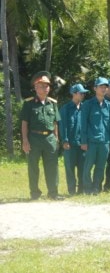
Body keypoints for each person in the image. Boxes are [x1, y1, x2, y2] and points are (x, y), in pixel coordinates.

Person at [20, 71, 62, 200]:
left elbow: (55, 122)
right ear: (35, 87)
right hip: (34, 138)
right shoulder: (29, 103)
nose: (45, 88)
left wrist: (56, 138)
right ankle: (34, 193)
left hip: (49, 139)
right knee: (33, 166)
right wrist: (25, 140)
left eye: (47, 86)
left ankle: (53, 193)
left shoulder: (53, 103)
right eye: (41, 85)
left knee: (52, 166)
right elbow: (24, 123)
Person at [79, 78, 110, 194]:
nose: (104, 89)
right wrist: (83, 141)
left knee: (100, 167)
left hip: (104, 142)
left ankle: (96, 188)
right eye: (101, 87)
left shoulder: (108, 105)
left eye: (105, 87)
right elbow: (83, 124)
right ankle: (87, 189)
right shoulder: (88, 105)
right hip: (91, 141)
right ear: (95, 88)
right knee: (88, 166)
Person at [59, 83, 88, 195]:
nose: (83, 95)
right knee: (70, 169)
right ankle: (71, 190)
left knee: (82, 168)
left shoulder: (85, 107)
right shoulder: (65, 108)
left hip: (82, 144)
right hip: (70, 144)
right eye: (81, 93)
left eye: (84, 93)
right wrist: (65, 141)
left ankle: (81, 190)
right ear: (74, 94)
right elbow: (63, 126)